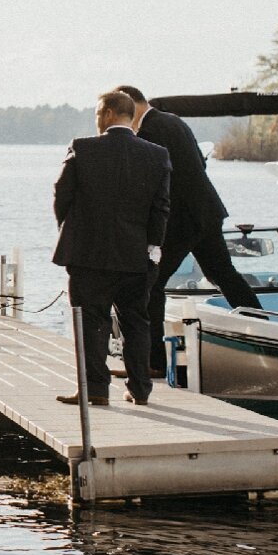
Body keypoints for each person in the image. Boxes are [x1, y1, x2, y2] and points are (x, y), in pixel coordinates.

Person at [53, 89, 171, 406]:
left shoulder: (82, 148)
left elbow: (61, 195)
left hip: (87, 256)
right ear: (129, 116)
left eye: (96, 114)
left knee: (91, 322)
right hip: (136, 257)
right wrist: (153, 248)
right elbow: (160, 209)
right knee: (136, 322)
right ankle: (140, 389)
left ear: (105, 114)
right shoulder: (157, 155)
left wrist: (71, 232)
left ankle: (95, 389)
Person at [118, 85, 265, 334]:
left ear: (130, 106)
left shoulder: (149, 131)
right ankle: (263, 328)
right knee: (224, 275)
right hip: (207, 211)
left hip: (181, 220)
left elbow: (153, 182)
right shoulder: (175, 122)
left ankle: (152, 359)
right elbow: (200, 163)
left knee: (151, 284)